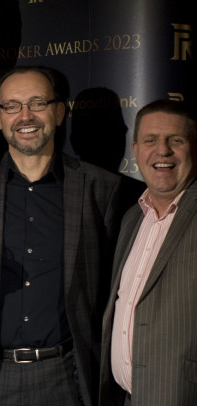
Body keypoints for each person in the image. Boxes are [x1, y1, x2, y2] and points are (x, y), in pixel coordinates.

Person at [0, 67, 124, 406]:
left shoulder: (101, 189)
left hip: (66, 376)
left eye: (37, 103)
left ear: (59, 112)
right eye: (12, 106)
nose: (24, 116)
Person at [100, 100, 196, 406]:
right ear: (136, 148)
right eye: (151, 140)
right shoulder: (131, 217)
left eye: (176, 140)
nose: (163, 150)